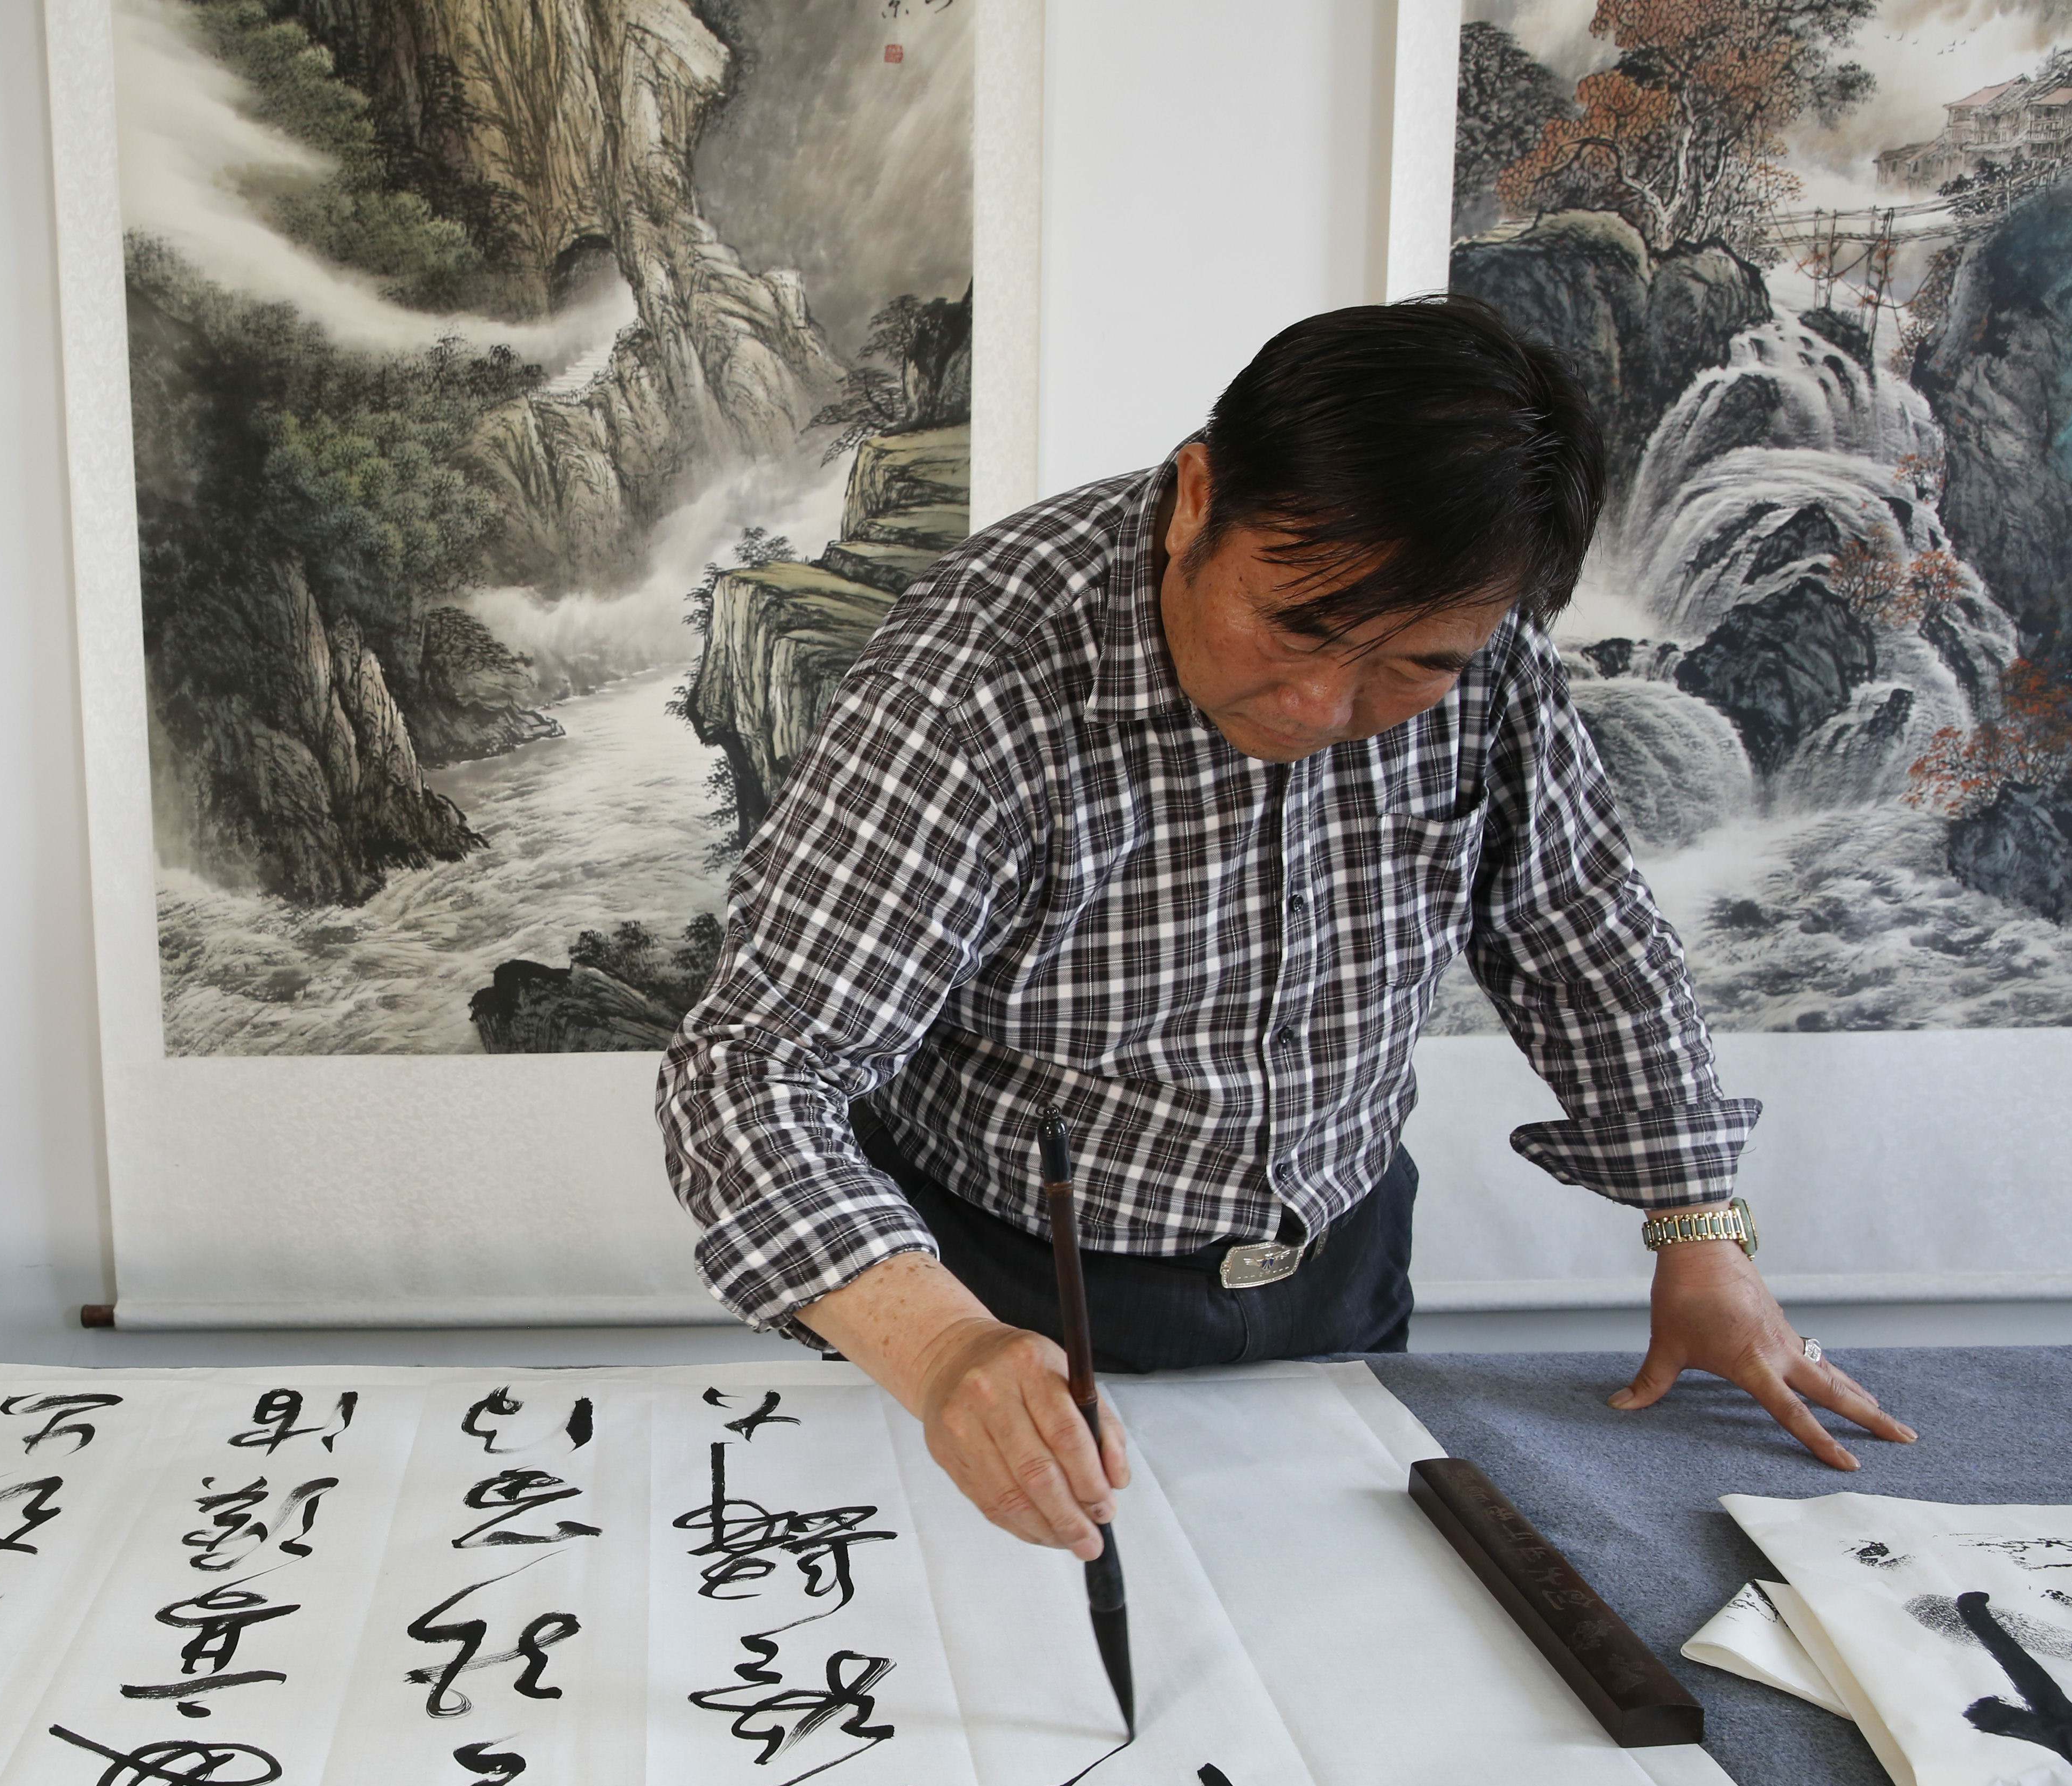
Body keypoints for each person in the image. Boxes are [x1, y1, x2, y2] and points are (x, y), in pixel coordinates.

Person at [654, 296, 1915, 1561]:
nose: (1321, 706)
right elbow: (754, 1070)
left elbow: (1577, 929)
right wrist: (941, 1349)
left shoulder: (1487, 646)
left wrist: (1699, 1227)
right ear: (1199, 500)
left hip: (1339, 1259)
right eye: (1299, 623)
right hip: (1019, 1291)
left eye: (1413, 666)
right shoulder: (978, 678)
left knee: (1331, 1607)